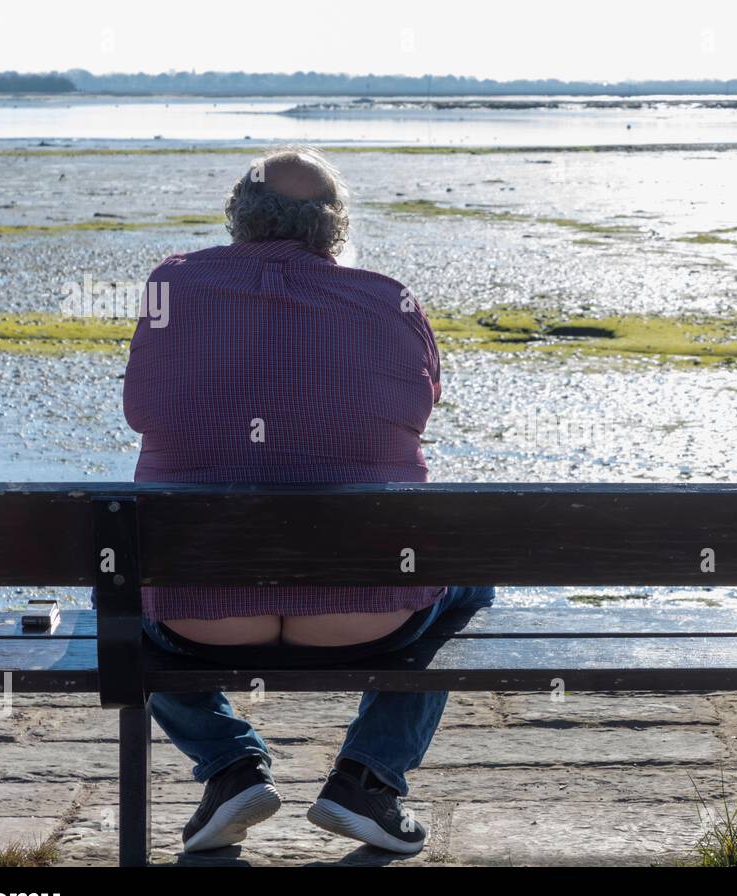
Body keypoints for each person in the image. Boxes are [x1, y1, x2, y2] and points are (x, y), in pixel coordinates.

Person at [121, 146, 494, 856]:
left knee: (118, 583)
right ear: (335, 227)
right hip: (368, 618)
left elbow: (141, 408)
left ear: (238, 216)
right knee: (469, 576)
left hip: (201, 621)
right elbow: (419, 413)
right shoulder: (390, 299)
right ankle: (368, 780)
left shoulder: (171, 285)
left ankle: (230, 766)